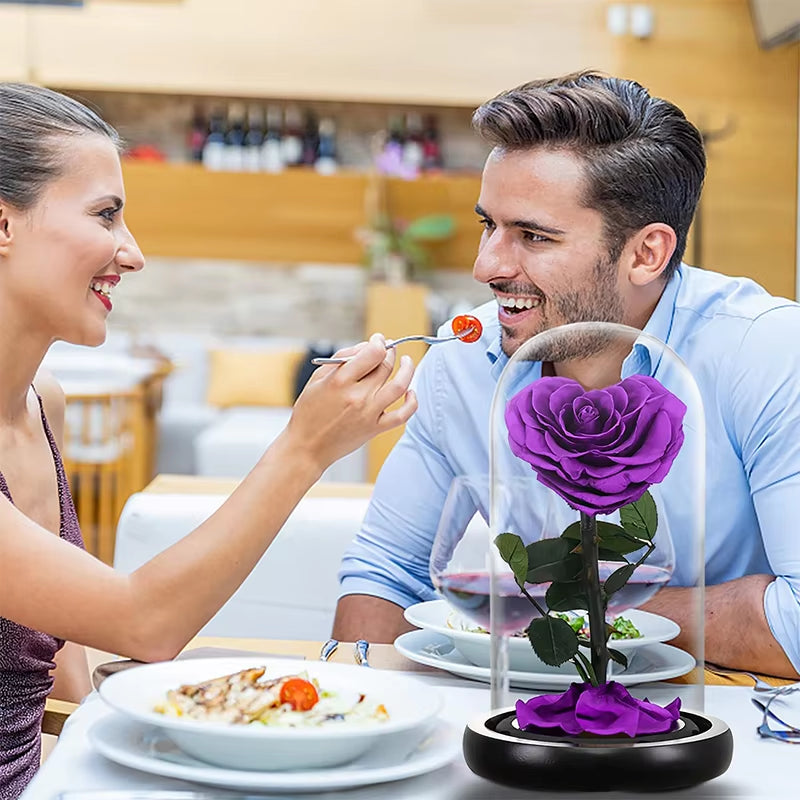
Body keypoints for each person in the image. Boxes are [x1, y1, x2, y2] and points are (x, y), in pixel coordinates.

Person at [0, 83, 417, 799]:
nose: (132, 253)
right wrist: (305, 448)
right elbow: (141, 620)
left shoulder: (45, 408)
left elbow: (61, 657)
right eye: (106, 215)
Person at [333, 71, 800, 681]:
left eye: (533, 235)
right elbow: (384, 575)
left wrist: (566, 618)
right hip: (523, 722)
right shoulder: (462, 361)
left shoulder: (766, 352)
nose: (486, 266)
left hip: (731, 728)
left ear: (645, 254)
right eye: (488, 226)